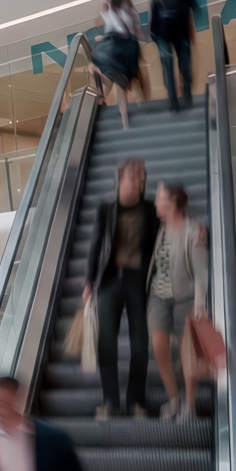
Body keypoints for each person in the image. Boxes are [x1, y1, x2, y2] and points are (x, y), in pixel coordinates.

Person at [85, 158, 158, 419]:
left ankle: (135, 402)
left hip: (139, 283)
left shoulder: (151, 210)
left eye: (141, 179)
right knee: (107, 345)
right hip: (109, 283)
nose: (137, 183)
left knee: (140, 345)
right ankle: (110, 402)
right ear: (121, 179)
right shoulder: (106, 209)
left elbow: (166, 234)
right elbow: (95, 246)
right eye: (132, 178)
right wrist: (88, 282)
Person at [148, 183, 209, 421]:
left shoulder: (194, 231)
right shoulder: (161, 229)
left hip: (185, 298)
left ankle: (190, 406)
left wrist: (200, 304)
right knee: (159, 347)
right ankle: (174, 399)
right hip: (159, 296)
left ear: (172, 203)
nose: (156, 203)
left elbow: (201, 272)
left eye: (160, 199)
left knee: (187, 352)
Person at [91, 0, 144, 128]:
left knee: (118, 85)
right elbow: (135, 31)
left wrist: (104, 11)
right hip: (129, 53)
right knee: (126, 84)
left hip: (117, 54)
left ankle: (124, 119)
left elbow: (114, 31)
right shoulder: (130, 12)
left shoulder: (114, 14)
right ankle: (131, 113)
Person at [148, 0, 198, 111]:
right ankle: (176, 101)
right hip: (166, 37)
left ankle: (182, 99)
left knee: (180, 68)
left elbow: (192, 8)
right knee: (175, 69)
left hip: (177, 35)